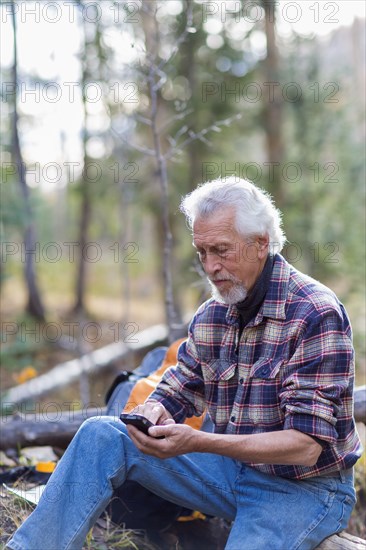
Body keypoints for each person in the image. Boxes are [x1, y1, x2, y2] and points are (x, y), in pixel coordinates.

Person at [7, 177, 362, 550]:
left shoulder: (314, 313)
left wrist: (200, 441)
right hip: (232, 472)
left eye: (221, 250)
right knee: (101, 435)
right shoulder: (213, 314)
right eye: (202, 252)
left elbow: (305, 446)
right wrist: (154, 410)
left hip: (305, 489)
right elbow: (181, 387)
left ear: (260, 244)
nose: (210, 267)